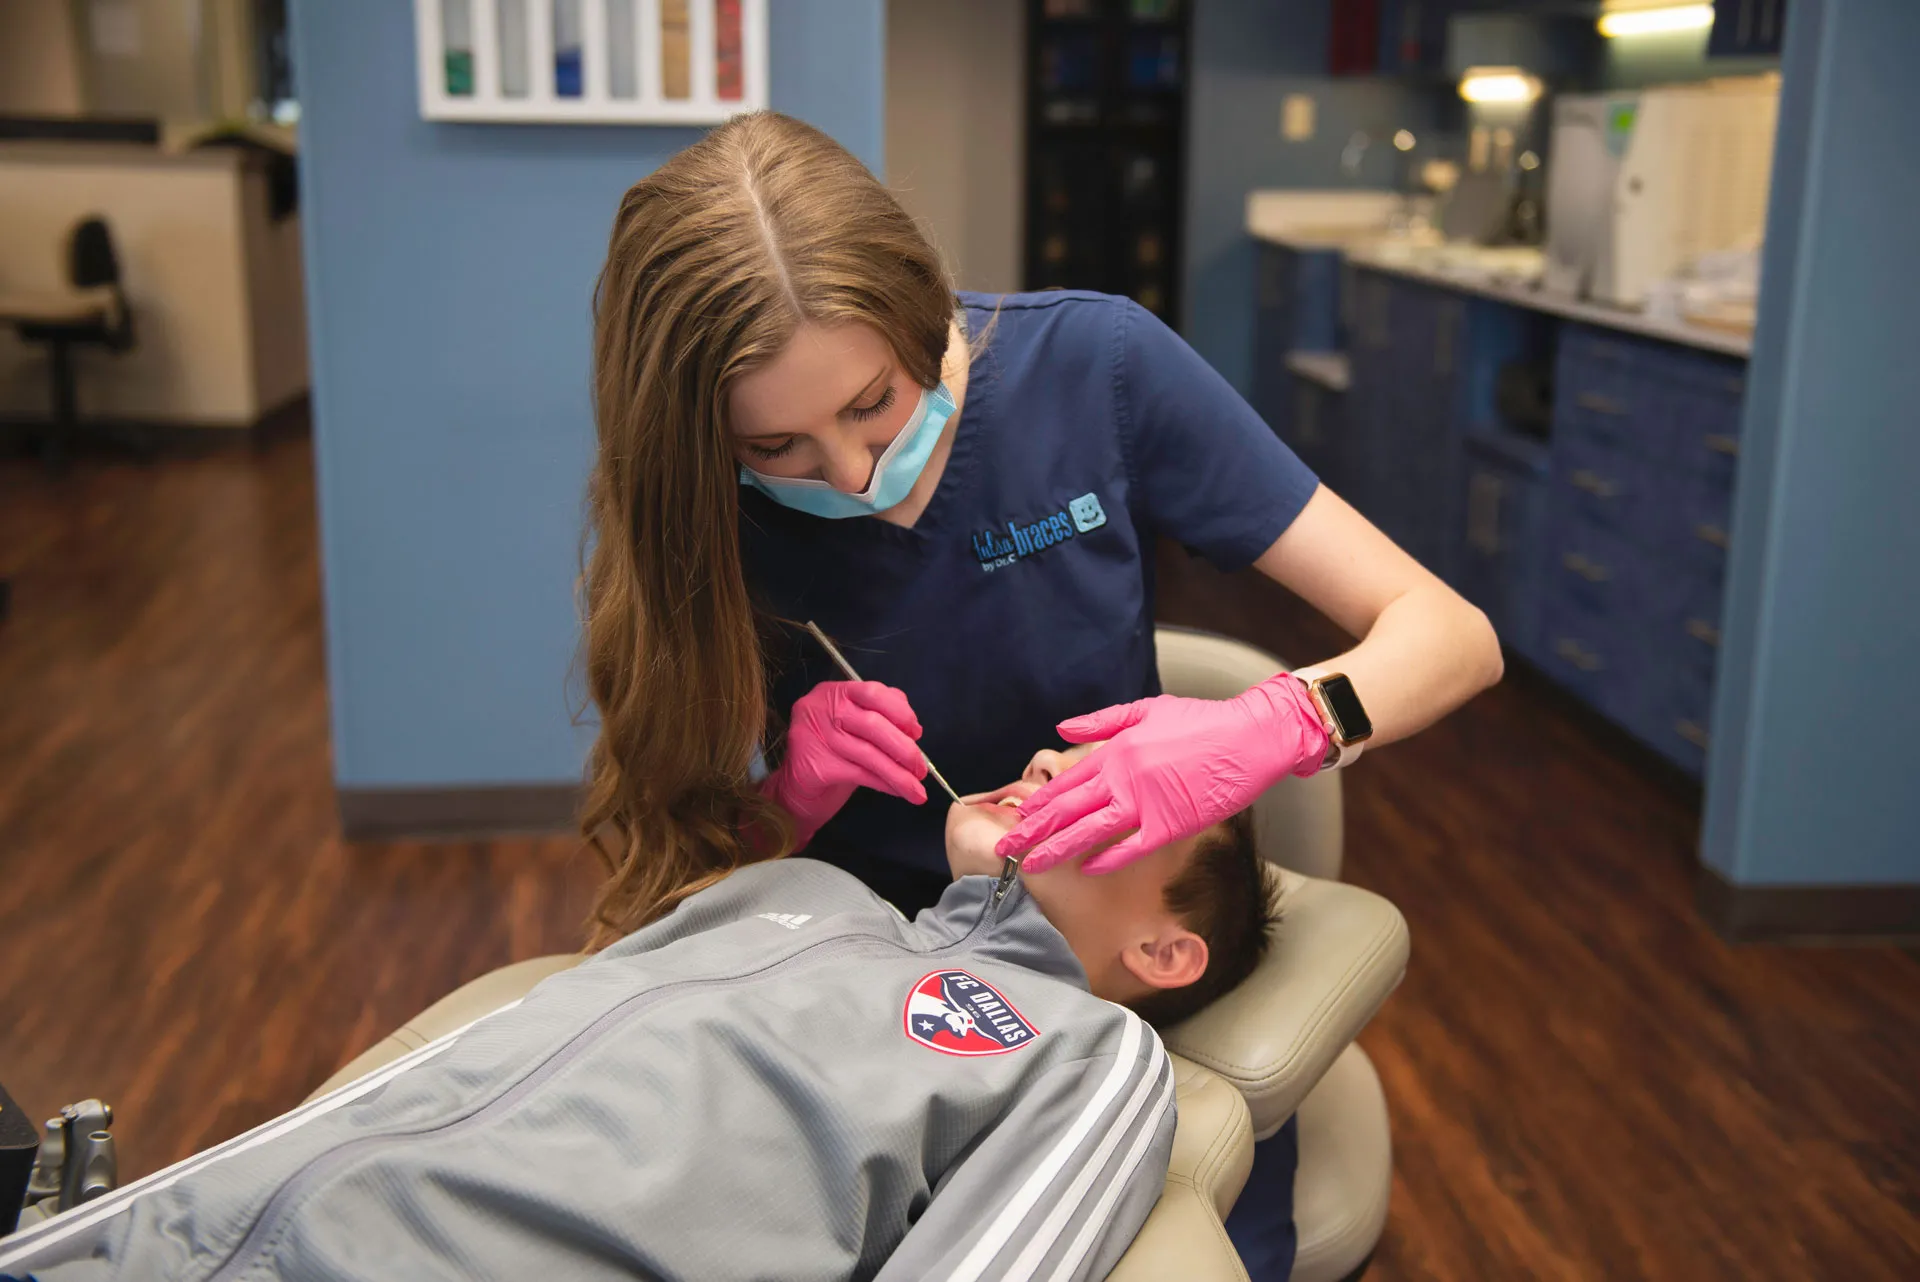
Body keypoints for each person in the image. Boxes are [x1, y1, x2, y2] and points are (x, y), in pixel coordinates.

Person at [580, 110, 1502, 1277]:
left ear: (920, 308)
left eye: (874, 404)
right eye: (780, 451)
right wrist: (790, 797)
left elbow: (1452, 638)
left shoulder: (1095, 371)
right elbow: (675, 883)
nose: (855, 475)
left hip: (1083, 987)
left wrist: (1282, 720)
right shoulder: (691, 514)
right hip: (859, 983)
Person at [1, 755, 1269, 1282]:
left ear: (1164, 946)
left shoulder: (1090, 1054)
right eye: (1072, 748)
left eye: (1124, 790)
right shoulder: (805, 890)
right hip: (185, 1237)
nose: (1057, 764)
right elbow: (471, 1057)